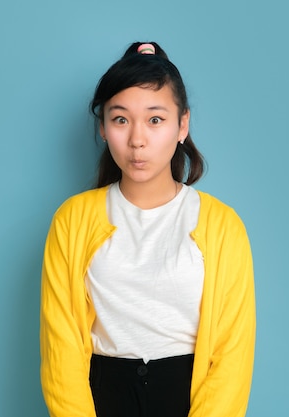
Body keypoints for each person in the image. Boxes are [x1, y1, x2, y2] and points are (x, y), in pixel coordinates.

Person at [40, 41, 256, 417]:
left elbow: (232, 356)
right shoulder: (72, 220)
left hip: (189, 400)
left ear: (182, 125)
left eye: (155, 119)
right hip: (101, 400)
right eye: (120, 119)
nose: (137, 140)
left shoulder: (223, 226)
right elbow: (61, 351)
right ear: (104, 127)